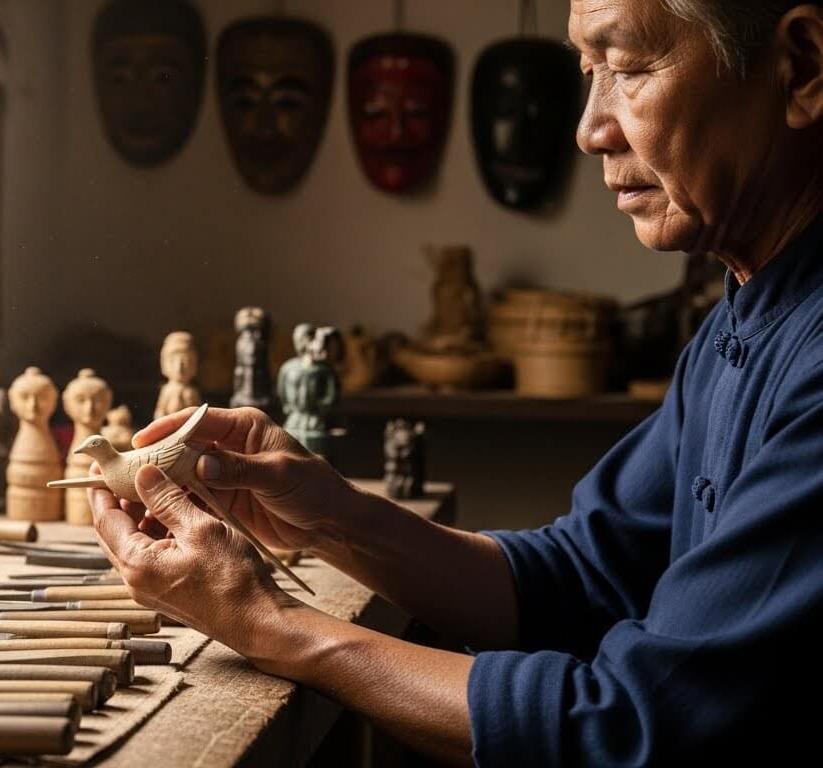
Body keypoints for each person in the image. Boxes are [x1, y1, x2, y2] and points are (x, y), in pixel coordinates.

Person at [90, 1, 823, 764]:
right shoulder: (746, 310)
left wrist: (268, 625)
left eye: (630, 68)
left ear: (801, 68)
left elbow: (630, 729)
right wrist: (327, 517)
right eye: (588, 72)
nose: (588, 129)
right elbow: (581, 579)